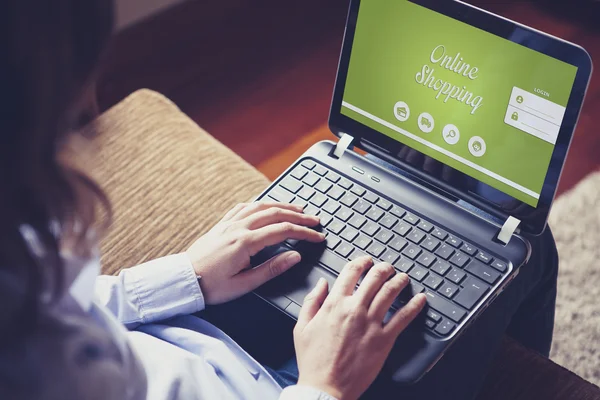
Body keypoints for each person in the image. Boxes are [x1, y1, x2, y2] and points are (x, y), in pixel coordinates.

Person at [0, 1, 559, 399]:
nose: (89, 120)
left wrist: (184, 275)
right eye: (69, 120)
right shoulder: (38, 363)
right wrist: (324, 385)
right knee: (530, 244)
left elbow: (69, 305)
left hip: (199, 341)